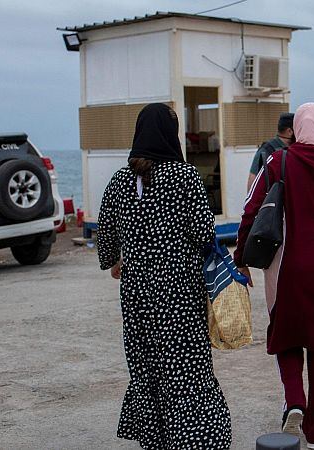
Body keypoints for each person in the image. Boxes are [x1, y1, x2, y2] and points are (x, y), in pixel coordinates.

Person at [97, 103, 232, 449]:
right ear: (170, 135)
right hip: (179, 291)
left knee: (146, 364)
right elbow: (203, 232)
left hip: (137, 292)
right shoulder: (185, 177)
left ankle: (155, 439)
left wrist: (115, 261)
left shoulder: (119, 181)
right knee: (185, 364)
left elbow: (106, 235)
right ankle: (193, 439)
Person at [234, 103, 314, 449]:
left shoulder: (279, 162)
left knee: (287, 333)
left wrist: (242, 256)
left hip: (287, 266)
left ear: (297, 127)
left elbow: (251, 210)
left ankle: (294, 400)